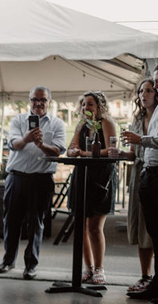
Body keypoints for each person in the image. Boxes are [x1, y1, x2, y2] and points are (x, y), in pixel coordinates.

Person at [0, 86, 66, 280]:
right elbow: (14, 145)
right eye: (34, 99)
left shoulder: (57, 123)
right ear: (29, 100)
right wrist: (27, 138)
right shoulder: (18, 120)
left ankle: (30, 265)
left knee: (36, 222)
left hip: (41, 179)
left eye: (42, 100)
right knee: (11, 221)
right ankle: (8, 261)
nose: (38, 103)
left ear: (49, 101)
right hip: (17, 177)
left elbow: (58, 151)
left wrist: (41, 144)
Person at [66, 91, 117, 285]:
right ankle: (87, 268)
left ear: (99, 107)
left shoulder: (106, 122)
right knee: (81, 227)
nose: (85, 108)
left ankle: (99, 268)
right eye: (83, 105)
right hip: (82, 176)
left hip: (101, 177)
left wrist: (84, 153)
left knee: (95, 227)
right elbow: (71, 147)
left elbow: (110, 150)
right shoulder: (81, 125)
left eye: (90, 104)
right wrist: (72, 151)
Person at [124, 66, 158, 303]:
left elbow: (147, 143)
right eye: (143, 90)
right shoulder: (142, 117)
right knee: (148, 229)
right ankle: (150, 280)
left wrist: (141, 140)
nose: (146, 93)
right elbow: (135, 151)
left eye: (151, 88)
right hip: (146, 173)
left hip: (154, 174)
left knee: (155, 231)